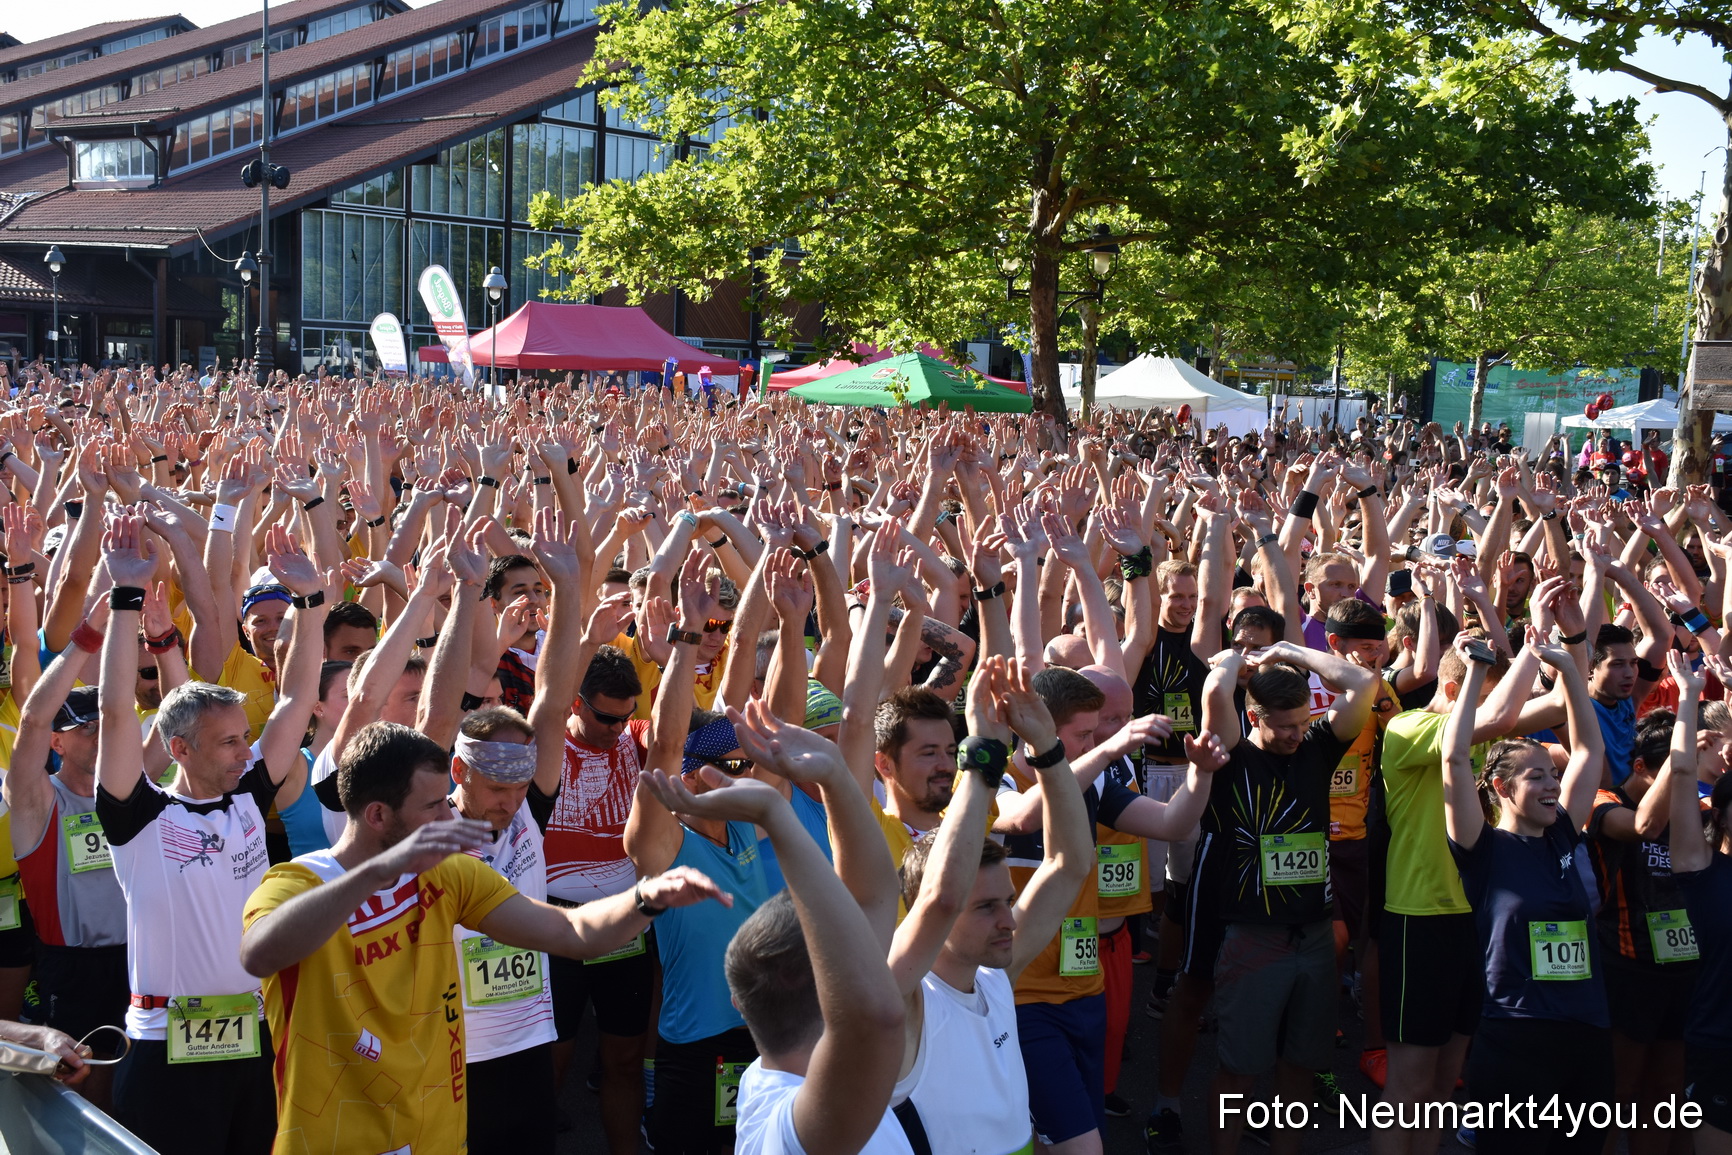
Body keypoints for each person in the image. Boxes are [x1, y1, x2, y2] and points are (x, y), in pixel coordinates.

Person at [239, 719, 728, 1155]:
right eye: (433, 806)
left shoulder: (448, 875)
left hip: (439, 1137)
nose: (449, 817)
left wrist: (647, 897)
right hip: (333, 1139)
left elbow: (571, 931)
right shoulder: (297, 882)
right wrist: (379, 872)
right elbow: (260, 954)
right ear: (378, 816)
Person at [96, 514, 330, 1154]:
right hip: (164, 1049)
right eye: (228, 741)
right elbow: (117, 712)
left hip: (254, 1041)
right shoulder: (137, 816)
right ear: (179, 748)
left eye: (243, 739)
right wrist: (124, 601)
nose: (242, 751)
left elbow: (297, 697)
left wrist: (312, 604)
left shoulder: (250, 796)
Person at [1195, 641, 1377, 1155]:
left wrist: (1294, 651)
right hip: (1254, 937)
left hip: (1316, 935)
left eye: (1303, 721)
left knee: (1302, 1064)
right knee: (1241, 1070)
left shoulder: (1317, 746)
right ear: (1254, 716)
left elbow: (1363, 684)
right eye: (1284, 725)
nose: (1297, 733)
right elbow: (1215, 691)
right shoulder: (1232, 754)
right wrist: (1234, 663)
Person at [1442, 629, 1608, 1154]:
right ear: (1501, 789)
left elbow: (1588, 749)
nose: (1552, 785)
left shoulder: (1563, 831)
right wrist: (1475, 671)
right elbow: (1453, 759)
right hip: (1515, 1032)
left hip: (1585, 1027)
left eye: (1550, 775)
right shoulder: (1481, 847)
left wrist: (1571, 674)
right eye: (1536, 777)